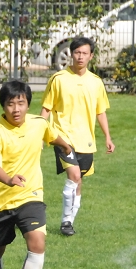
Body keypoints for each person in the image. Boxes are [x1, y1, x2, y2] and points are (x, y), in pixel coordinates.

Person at [0, 80, 72, 269]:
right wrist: (9, 179)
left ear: (28, 104)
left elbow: (52, 135)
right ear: (3, 106)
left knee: (37, 241)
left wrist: (66, 147)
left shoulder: (38, 123)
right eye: (11, 104)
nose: (16, 109)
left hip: (30, 196)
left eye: (21, 103)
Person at [40, 36, 115, 236]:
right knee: (73, 176)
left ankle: (70, 221)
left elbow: (100, 112)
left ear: (91, 56)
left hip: (86, 140)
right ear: (71, 54)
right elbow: (46, 108)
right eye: (77, 52)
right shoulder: (58, 79)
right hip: (62, 136)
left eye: (84, 53)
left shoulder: (96, 82)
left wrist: (107, 137)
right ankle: (66, 222)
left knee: (78, 181)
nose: (80, 56)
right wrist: (40, 135)